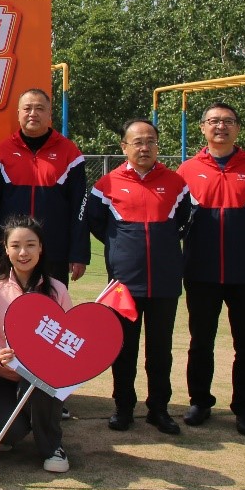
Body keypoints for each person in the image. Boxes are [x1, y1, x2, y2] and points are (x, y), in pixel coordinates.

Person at [84, 118, 190, 435]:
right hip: (123, 285)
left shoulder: (176, 184)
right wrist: (122, 249)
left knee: (160, 351)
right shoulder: (106, 185)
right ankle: (123, 408)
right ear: (124, 147)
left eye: (150, 141)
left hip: (165, 282)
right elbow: (96, 224)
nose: (145, 147)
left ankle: (159, 409)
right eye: (138, 142)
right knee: (124, 349)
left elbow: (184, 223)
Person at [176, 101, 245, 436]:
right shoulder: (187, 170)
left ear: (238, 128)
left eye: (228, 121)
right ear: (203, 127)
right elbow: (177, 219)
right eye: (214, 121)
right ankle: (199, 401)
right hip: (201, 271)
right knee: (200, 340)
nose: (221, 126)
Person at [0, 216, 73, 473]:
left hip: (40, 378)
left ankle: (52, 446)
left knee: (41, 379)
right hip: (2, 377)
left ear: (40, 247)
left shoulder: (57, 290)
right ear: (6, 249)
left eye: (31, 245)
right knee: (7, 432)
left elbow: (68, 338)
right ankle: (17, 424)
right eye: (16, 246)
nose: (23, 253)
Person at [0, 88, 89, 285]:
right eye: (27, 108)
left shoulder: (70, 153)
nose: (33, 113)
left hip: (54, 252)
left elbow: (80, 208)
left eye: (40, 108)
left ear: (49, 113)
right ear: (18, 113)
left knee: (50, 304)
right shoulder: (1, 152)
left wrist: (79, 253)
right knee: (7, 303)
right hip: (10, 252)